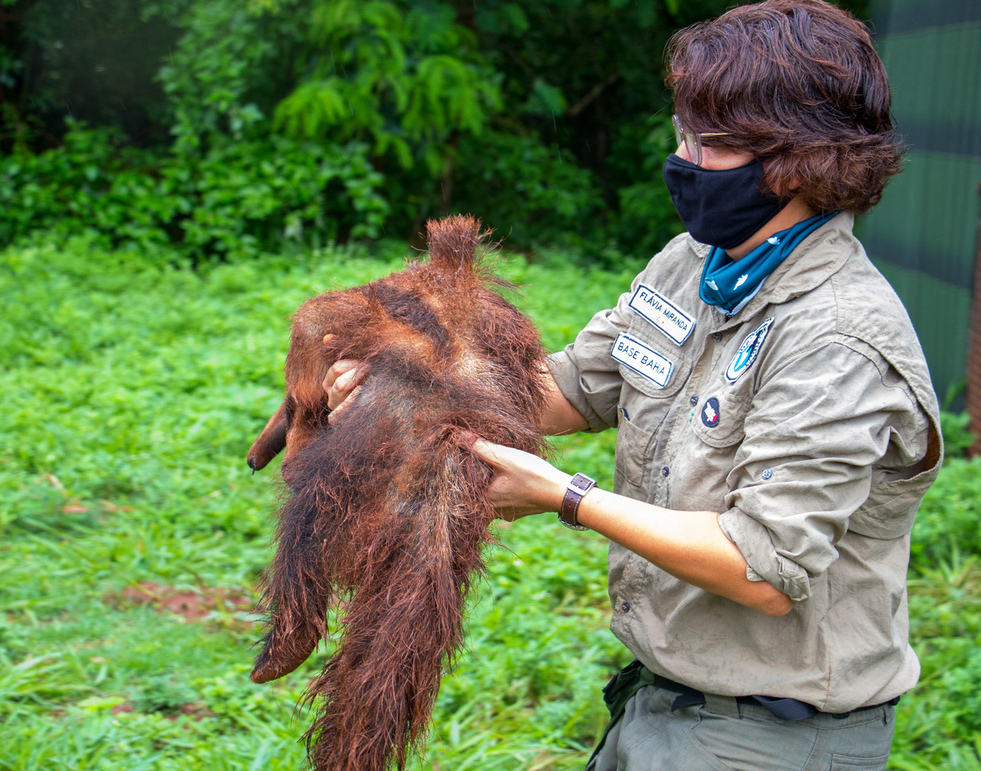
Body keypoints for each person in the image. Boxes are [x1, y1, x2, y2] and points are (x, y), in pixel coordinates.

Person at [325, 1, 941, 767]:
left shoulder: (838, 336)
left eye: (711, 143)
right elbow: (570, 390)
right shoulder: (694, 263)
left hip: (771, 734)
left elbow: (763, 565)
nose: (684, 158)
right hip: (661, 696)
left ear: (797, 156)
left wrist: (566, 496)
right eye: (684, 131)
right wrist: (411, 382)